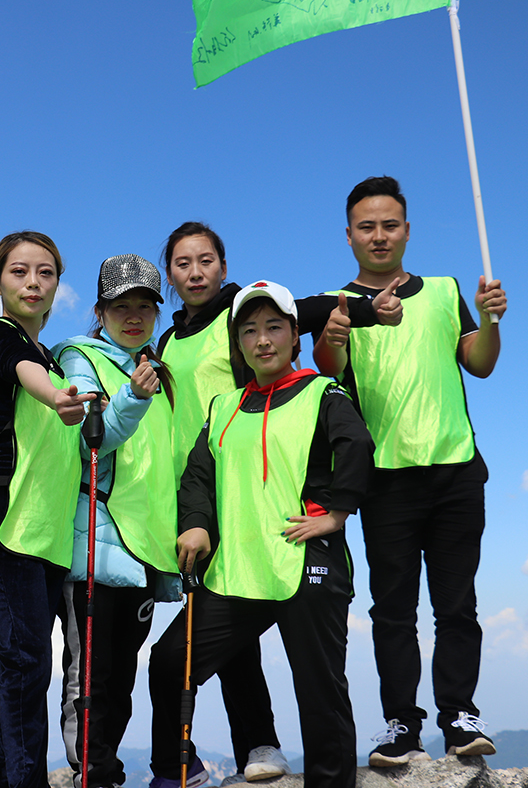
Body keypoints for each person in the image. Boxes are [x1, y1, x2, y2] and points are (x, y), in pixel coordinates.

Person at [151, 221, 397, 785]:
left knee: (320, 692)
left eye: (274, 328)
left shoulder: (321, 392)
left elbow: (357, 447)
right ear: (238, 343)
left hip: (305, 563)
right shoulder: (224, 407)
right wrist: (195, 526)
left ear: (291, 334)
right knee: (171, 661)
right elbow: (196, 478)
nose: (263, 340)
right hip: (239, 570)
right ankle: (174, 769)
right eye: (251, 332)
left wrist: (336, 513)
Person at [313, 175, 507, 765]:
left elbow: (480, 364)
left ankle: (459, 716)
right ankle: (401, 724)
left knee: (457, 606)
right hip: (386, 478)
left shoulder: (446, 291)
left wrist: (490, 320)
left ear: (406, 230)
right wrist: (336, 330)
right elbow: (328, 369)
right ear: (348, 236)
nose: (379, 236)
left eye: (389, 224)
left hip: (455, 471)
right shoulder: (339, 303)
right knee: (392, 611)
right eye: (366, 227)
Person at [0, 231, 95, 788]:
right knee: (25, 656)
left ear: (58, 283)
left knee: (28, 657)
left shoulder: (54, 356)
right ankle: (21, 779)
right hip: (4, 512)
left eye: (45, 272)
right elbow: (19, 368)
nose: (33, 282)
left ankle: (6, 776)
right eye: (19, 272)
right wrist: (57, 396)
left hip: (45, 529)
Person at [54, 254, 181, 788]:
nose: (133, 317)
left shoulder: (153, 370)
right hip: (94, 544)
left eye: (145, 307)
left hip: (143, 551)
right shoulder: (81, 358)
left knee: (122, 674)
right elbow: (91, 435)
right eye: (120, 306)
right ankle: (93, 769)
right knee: (91, 674)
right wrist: (132, 396)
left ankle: (104, 766)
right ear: (99, 311)